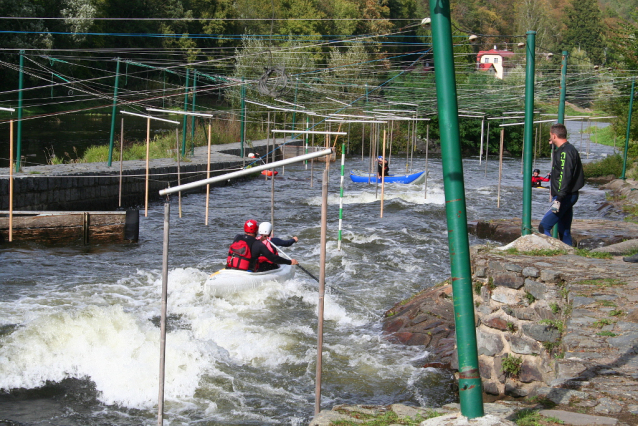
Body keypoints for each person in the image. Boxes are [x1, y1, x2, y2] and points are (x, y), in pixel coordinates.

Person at [538, 123, 584, 246]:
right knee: (564, 230)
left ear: (553, 135)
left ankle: (554, 250)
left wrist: (559, 198)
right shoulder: (568, 149)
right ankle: (569, 254)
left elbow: (565, 175)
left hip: (564, 196)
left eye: (550, 136)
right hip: (569, 195)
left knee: (543, 227)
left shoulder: (565, 152)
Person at [227, 219, 298, 271]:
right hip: (248, 271)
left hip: (232, 268)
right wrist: (289, 262)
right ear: (256, 230)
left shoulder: (237, 237)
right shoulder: (258, 244)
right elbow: (274, 258)